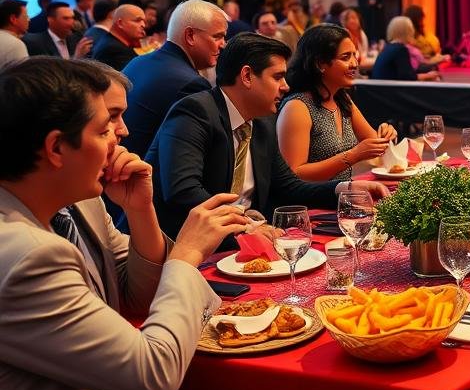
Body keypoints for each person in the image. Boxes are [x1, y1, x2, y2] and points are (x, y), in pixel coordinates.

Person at [0, 57, 249, 390]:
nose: (119, 138)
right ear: (56, 148)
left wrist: (139, 208)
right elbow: (152, 375)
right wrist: (186, 255)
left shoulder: (78, 201)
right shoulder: (28, 256)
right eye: (104, 129)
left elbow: (139, 298)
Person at [145, 33, 389, 239]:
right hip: (183, 249)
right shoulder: (195, 112)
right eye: (277, 77)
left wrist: (347, 189)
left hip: (249, 243)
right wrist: (244, 225)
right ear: (247, 76)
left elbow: (290, 187)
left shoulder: (262, 122)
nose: (285, 86)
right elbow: (183, 190)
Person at [278, 24, 398, 182]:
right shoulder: (297, 107)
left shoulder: (342, 98)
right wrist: (353, 156)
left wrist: (386, 134)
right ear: (320, 64)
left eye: (354, 55)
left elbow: (377, 146)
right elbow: (295, 175)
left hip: (340, 196)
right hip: (310, 203)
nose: (355, 64)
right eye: (345, 57)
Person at [120, 0, 228, 156]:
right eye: (217, 37)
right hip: (146, 175)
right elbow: (195, 151)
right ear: (190, 35)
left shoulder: (138, 61)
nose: (223, 45)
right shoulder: (191, 84)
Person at [370, 16, 441, 82]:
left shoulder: (388, 47)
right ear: (408, 31)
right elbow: (409, 78)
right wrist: (428, 76)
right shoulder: (400, 49)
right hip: (389, 92)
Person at [23, 1, 92, 60]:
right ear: (50, 20)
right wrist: (76, 57)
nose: (71, 22)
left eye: (72, 18)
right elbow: (51, 72)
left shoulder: (77, 38)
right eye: (66, 18)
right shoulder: (36, 43)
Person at [92, 4, 147, 70]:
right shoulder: (114, 49)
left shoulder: (111, 41)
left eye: (143, 21)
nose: (143, 25)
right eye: (137, 20)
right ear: (120, 23)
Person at [0, 0, 30, 69]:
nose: (29, 19)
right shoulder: (15, 45)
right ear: (13, 19)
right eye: (26, 16)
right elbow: (22, 77)